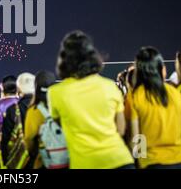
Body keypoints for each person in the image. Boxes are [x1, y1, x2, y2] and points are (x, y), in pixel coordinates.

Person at [48, 31, 134, 169]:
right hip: (120, 160)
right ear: (92, 56)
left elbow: (61, 125)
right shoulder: (110, 87)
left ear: (64, 59)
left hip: (85, 163)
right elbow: (121, 129)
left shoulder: (55, 93)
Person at [128, 46, 181, 169]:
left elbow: (136, 138)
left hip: (153, 162)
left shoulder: (135, 97)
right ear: (163, 70)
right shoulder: (176, 93)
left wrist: (139, 161)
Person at [24, 70, 57, 169]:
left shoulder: (34, 111)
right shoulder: (63, 105)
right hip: (68, 159)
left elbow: (29, 139)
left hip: (44, 161)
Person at [1, 73, 35, 164]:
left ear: (19, 88)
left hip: (21, 158)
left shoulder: (13, 109)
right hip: (41, 158)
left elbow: (6, 138)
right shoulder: (46, 105)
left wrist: (6, 160)